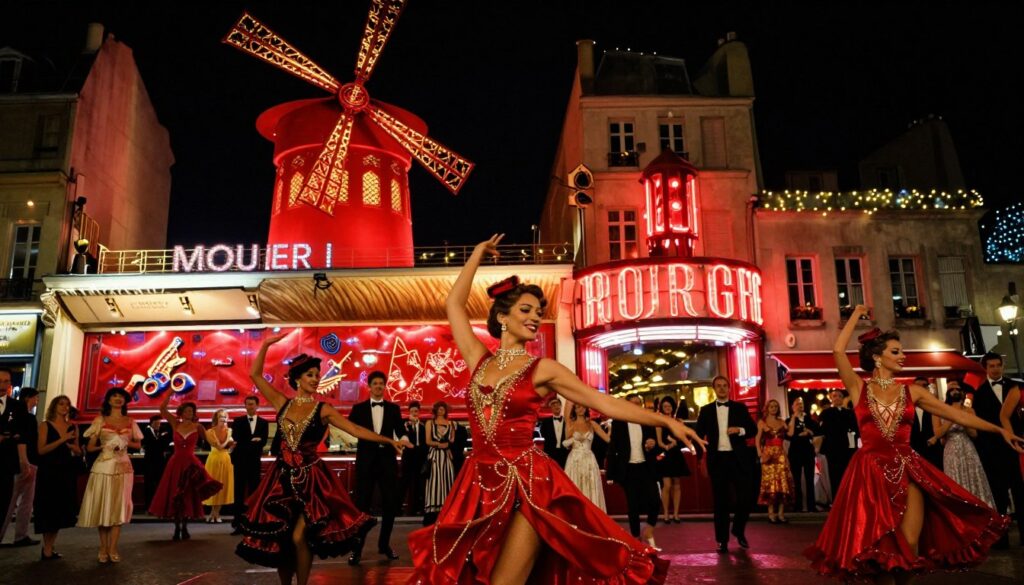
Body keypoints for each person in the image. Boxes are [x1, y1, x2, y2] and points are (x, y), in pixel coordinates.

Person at [407, 235, 706, 584]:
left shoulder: (543, 369)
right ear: (502, 317)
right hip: (478, 485)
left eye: (538, 312)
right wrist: (474, 254)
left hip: (530, 486)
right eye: (526, 310)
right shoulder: (478, 359)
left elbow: (602, 402)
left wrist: (666, 420)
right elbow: (453, 305)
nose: (535, 318)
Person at [805, 306, 1021, 582]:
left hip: (908, 470)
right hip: (869, 473)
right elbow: (837, 351)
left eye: (902, 351)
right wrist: (856, 315)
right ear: (877, 357)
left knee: (909, 545)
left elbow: (954, 414)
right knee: (875, 549)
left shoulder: (914, 392)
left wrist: (1000, 430)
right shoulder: (858, 388)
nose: (903, 356)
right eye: (896, 351)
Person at [236, 336, 404, 585]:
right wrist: (266, 344)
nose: (316, 379)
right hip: (280, 480)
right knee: (281, 537)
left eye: (317, 375)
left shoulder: (323, 409)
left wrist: (389, 440)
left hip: (310, 482)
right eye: (310, 375)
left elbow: (355, 430)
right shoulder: (282, 403)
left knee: (299, 536)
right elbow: (255, 375)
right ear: (297, 379)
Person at [347, 369, 413, 564]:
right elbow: (349, 431)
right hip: (365, 462)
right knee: (362, 507)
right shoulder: (358, 409)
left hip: (387, 462)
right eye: (374, 383)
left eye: (381, 384)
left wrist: (403, 440)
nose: (378, 386)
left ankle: (384, 545)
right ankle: (356, 550)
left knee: (390, 505)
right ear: (369, 386)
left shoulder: (393, 409)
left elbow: (401, 431)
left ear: (384, 387)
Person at [77, 387, 143, 563]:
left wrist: (124, 441)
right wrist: (104, 447)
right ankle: (103, 547)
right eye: (114, 396)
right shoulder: (100, 420)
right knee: (103, 506)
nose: (118, 399)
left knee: (118, 507)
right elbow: (90, 447)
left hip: (123, 468)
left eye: (121, 397)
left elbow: (138, 445)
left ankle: (113, 548)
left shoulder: (130, 421)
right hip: (103, 467)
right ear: (108, 400)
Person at [696, 376, 758, 552]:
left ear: (729, 388)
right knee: (721, 502)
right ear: (714, 389)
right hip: (717, 460)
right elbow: (698, 436)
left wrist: (740, 430)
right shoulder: (706, 410)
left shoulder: (740, 407)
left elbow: (753, 430)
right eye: (718, 386)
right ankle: (722, 540)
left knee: (745, 498)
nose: (722, 389)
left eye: (725, 386)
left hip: (738, 459)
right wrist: (700, 457)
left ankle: (738, 530)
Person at [148, 394, 222, 540]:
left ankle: (185, 527)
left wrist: (225, 443)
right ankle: (176, 527)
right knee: (175, 494)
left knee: (188, 494)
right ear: (181, 412)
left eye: (191, 411)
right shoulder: (175, 423)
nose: (189, 413)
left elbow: (211, 441)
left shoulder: (198, 427)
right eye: (187, 411)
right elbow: (162, 409)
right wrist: (169, 392)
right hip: (175, 464)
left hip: (190, 463)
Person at [973, 351, 1024, 548]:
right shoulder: (980, 393)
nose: (995, 369)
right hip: (993, 451)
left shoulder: (1015, 385)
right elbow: (979, 424)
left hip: (1017, 448)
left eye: (998, 365)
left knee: (1021, 494)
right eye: (991, 366)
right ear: (985, 368)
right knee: (999, 496)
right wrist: (985, 452)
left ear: (1003, 365)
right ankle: (1001, 540)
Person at [931, 380, 996, 508]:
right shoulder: (938, 411)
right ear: (947, 392)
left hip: (968, 448)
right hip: (951, 450)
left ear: (962, 392)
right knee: (954, 480)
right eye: (951, 389)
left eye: (957, 389)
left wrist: (963, 415)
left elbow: (974, 434)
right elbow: (938, 434)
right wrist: (953, 415)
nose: (954, 392)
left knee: (974, 478)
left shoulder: (970, 411)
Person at [33, 395, 81, 560]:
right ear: (54, 406)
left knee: (60, 510)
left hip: (66, 471)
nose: (65, 407)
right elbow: (41, 450)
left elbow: (78, 451)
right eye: (61, 404)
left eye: (67, 405)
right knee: (48, 508)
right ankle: (47, 548)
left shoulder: (73, 427)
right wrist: (62, 440)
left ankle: (49, 547)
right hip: (49, 471)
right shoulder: (45, 425)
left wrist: (74, 447)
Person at [1, 387, 39, 547]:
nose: (37, 401)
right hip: (24, 461)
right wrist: (25, 461)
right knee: (17, 500)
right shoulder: (27, 418)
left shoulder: (21, 417)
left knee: (17, 500)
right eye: (35, 398)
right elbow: (22, 440)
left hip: (23, 461)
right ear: (29, 398)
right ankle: (19, 535)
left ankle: (18, 534)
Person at [230, 394, 269, 535]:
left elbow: (263, 441)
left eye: (252, 404)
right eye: (247, 404)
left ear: (257, 406)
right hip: (240, 462)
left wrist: (250, 442)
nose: (249, 406)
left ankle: (254, 523)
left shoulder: (264, 423)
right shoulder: (238, 421)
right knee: (238, 493)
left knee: (254, 492)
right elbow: (237, 438)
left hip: (254, 463)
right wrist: (253, 441)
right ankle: (238, 524)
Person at [562, 402, 610, 511]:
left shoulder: (592, 424)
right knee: (575, 487)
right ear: (574, 409)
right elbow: (566, 442)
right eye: (578, 407)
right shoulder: (570, 423)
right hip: (574, 460)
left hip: (589, 460)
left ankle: (593, 517)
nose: (580, 409)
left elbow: (607, 439)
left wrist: (611, 428)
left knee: (591, 487)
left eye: (583, 406)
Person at [0, 368, 29, 547]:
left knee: (3, 504)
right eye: (0, 380)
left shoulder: (17, 407)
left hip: (6, 464)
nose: (2, 385)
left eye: (6, 381)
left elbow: (22, 436)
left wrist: (23, 460)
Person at [756, 398, 794, 523]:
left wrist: (793, 417)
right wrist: (760, 454)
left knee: (783, 484)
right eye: (771, 406)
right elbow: (757, 439)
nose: (774, 408)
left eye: (776, 406)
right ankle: (771, 513)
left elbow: (790, 434)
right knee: (770, 484)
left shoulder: (782, 421)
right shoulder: (762, 422)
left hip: (781, 454)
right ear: (767, 408)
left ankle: (781, 514)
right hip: (768, 455)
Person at [654, 396, 690, 523]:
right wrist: (668, 445)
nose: (667, 408)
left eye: (669, 406)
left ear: (673, 408)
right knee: (667, 485)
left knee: (676, 484)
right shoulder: (659, 422)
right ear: (662, 408)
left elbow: (684, 440)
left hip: (676, 455)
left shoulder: (678, 422)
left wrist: (676, 443)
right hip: (664, 455)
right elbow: (659, 442)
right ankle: (665, 513)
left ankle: (676, 514)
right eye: (665, 406)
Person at [818, 388, 858, 499]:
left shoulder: (849, 413)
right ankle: (836, 499)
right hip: (833, 449)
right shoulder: (826, 413)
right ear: (831, 398)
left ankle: (849, 497)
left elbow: (855, 429)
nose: (837, 398)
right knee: (834, 474)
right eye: (834, 396)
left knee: (848, 474)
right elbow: (822, 430)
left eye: (839, 396)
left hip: (847, 449)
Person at [423, 401, 456, 526]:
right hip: (434, 457)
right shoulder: (429, 423)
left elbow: (452, 439)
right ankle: (432, 512)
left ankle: (446, 509)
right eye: (439, 409)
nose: (441, 411)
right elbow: (427, 441)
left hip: (446, 457)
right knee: (434, 482)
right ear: (435, 410)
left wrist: (449, 443)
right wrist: (439, 444)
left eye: (443, 409)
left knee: (448, 480)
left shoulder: (451, 423)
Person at [786, 397, 819, 513]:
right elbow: (789, 435)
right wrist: (794, 418)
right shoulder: (789, 420)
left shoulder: (809, 419)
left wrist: (809, 432)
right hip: (795, 452)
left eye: (802, 404)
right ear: (792, 407)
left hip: (808, 452)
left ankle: (811, 506)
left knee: (810, 479)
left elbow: (816, 431)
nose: (800, 406)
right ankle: (797, 506)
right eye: (797, 404)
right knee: (796, 480)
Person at [203, 408, 235, 523]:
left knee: (223, 487)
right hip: (214, 459)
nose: (223, 418)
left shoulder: (230, 430)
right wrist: (229, 440)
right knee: (213, 487)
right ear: (216, 418)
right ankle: (213, 513)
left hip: (226, 459)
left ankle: (215, 514)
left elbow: (229, 448)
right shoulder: (209, 432)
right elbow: (219, 447)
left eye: (225, 416)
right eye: (221, 416)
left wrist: (232, 446)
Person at [400, 401, 428, 516]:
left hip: (420, 457)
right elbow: (403, 439)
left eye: (416, 411)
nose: (414, 413)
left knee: (418, 484)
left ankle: (417, 508)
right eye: (412, 411)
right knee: (404, 482)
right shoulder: (405, 425)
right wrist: (411, 425)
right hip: (408, 457)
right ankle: (399, 507)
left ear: (419, 412)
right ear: (409, 412)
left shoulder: (424, 426)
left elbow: (425, 443)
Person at [909, 376, 943, 470]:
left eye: (924, 386)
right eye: (917, 386)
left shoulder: (935, 406)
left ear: (928, 388)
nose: (921, 389)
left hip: (933, 450)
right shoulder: (907, 408)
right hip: (913, 450)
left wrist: (935, 438)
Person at [141, 414, 171, 509]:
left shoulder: (162, 432)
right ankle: (148, 506)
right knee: (149, 483)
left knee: (159, 483)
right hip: (149, 460)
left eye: (159, 423)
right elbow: (149, 443)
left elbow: (164, 443)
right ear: (151, 423)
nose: (158, 425)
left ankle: (158, 505)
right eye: (156, 423)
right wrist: (160, 441)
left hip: (160, 461)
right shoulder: (146, 431)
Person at [538, 395, 569, 467]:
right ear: (551, 408)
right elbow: (544, 435)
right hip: (550, 453)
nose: (556, 406)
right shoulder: (545, 422)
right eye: (553, 405)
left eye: (558, 404)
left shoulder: (567, 421)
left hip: (564, 453)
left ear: (561, 406)